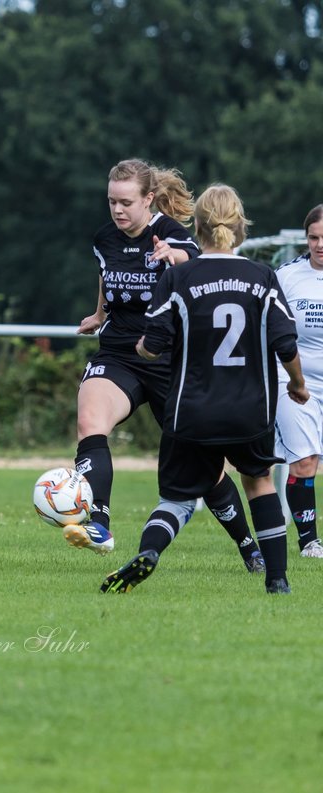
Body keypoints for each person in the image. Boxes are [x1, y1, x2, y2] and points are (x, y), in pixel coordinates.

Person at [101, 183, 308, 595]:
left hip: (191, 408)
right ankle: (277, 579)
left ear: (195, 226)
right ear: (240, 227)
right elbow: (285, 343)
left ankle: (150, 552)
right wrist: (299, 385)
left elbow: (152, 345)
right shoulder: (262, 276)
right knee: (259, 482)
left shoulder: (179, 276)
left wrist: (142, 347)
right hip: (250, 408)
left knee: (177, 499)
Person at [66, 159, 265, 573]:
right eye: (111, 202)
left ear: (149, 199)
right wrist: (100, 313)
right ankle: (99, 523)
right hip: (120, 352)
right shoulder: (105, 238)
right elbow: (107, 275)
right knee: (90, 421)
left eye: (126, 202)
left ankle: (249, 546)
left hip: (168, 359)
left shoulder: (176, 237)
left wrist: (173, 256)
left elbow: (192, 270)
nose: (117, 211)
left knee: (204, 470)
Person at [273, 204, 323, 558]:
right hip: (295, 383)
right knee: (304, 462)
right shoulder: (287, 276)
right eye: (314, 237)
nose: (320, 244)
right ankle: (309, 543)